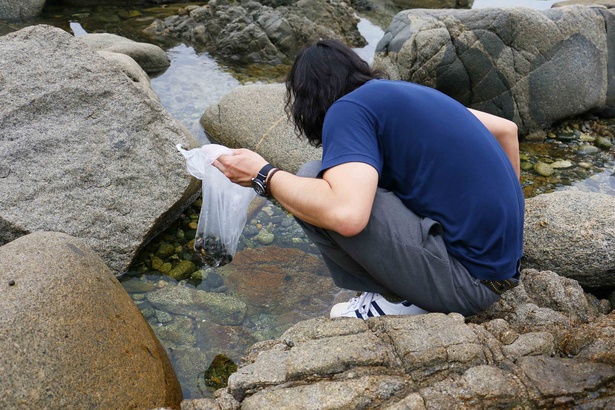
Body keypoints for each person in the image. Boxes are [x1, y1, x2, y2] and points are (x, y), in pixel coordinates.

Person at [213, 39, 524, 319]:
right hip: (502, 268)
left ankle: (401, 298)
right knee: (366, 179)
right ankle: (418, 285)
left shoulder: (345, 109)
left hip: (467, 287)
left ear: (308, 97)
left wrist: (264, 175)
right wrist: (502, 223)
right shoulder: (402, 94)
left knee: (313, 177)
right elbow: (506, 129)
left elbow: (348, 216)